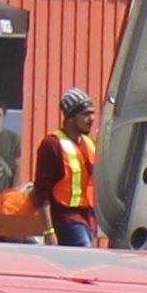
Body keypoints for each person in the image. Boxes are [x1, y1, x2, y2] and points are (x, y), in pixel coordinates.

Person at [31, 88, 103, 245]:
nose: (91, 119)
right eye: (86, 114)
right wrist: (49, 231)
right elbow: (41, 192)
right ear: (70, 118)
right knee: (83, 257)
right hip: (65, 218)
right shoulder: (52, 145)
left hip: (88, 219)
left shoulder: (90, 144)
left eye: (93, 114)